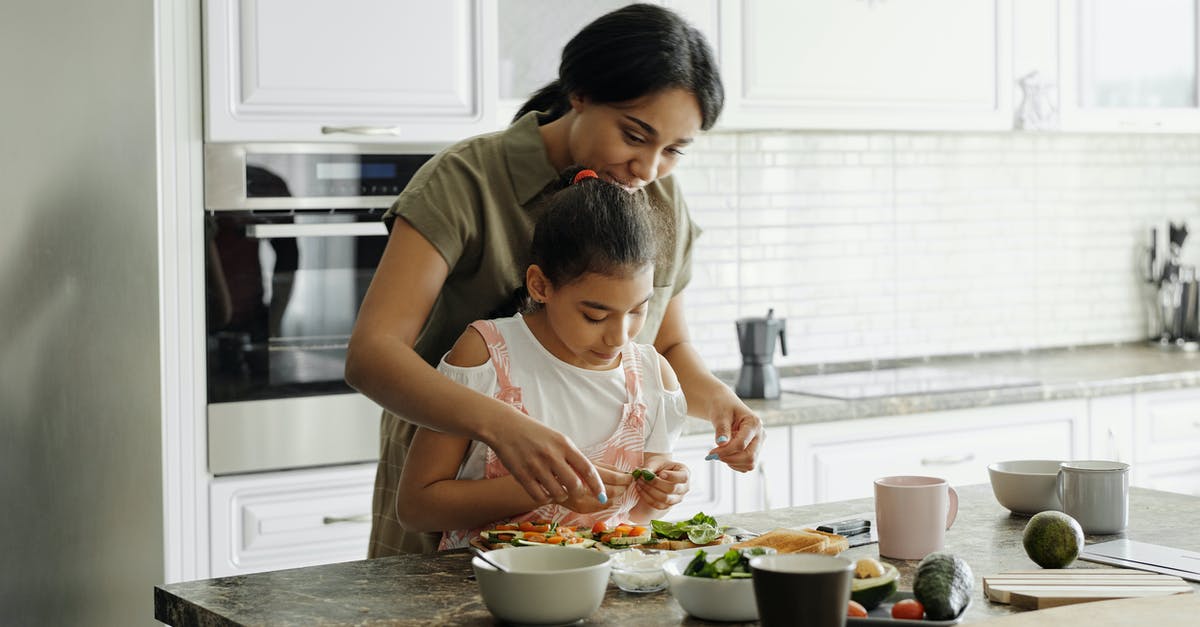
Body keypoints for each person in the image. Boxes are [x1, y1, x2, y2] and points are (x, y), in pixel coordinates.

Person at [345, 3, 765, 556]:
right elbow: (372, 355)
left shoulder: (658, 196)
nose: (649, 168)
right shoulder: (465, 180)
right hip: (450, 495)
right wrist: (505, 428)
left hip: (588, 538)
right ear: (580, 94)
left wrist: (720, 403)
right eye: (634, 135)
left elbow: (665, 344)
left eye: (673, 151)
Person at [396, 168, 690, 549]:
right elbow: (416, 508)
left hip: (603, 590)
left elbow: (636, 519)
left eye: (638, 310)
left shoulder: (653, 377)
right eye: (595, 315)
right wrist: (545, 489)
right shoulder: (486, 355)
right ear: (540, 285)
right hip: (484, 590)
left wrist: (662, 494)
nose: (619, 336)